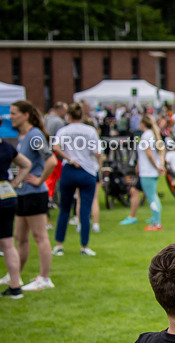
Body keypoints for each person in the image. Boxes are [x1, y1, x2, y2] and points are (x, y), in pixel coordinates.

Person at [11, 100, 57, 292]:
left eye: (14, 113)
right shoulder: (24, 136)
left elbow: (52, 161)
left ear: (26, 115)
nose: (11, 117)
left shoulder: (35, 135)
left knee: (40, 236)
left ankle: (44, 278)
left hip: (34, 193)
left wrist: (39, 180)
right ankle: (15, 275)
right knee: (19, 237)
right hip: (23, 193)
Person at [51, 102, 102, 256]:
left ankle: (59, 245)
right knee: (85, 211)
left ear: (69, 115)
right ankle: (84, 247)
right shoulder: (90, 131)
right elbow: (98, 152)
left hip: (69, 170)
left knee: (64, 210)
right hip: (87, 171)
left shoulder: (63, 131)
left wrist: (70, 158)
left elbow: (56, 147)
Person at [0, 139, 32, 299]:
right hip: (7, 194)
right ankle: (15, 286)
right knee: (8, 243)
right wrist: (15, 182)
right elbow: (26, 164)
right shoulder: (6, 147)